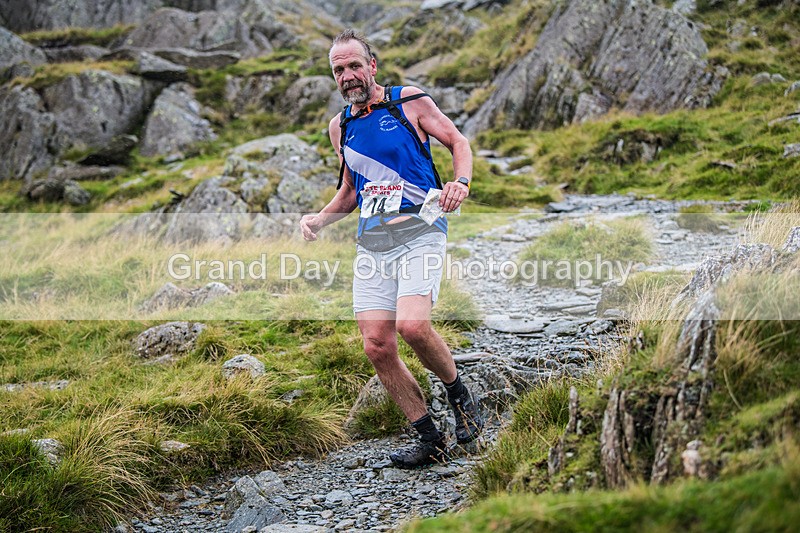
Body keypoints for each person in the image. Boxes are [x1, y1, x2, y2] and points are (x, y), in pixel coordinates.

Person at [300, 29, 483, 468]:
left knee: (414, 326)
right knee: (376, 345)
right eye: (338, 69)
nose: (347, 76)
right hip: (373, 244)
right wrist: (319, 220)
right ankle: (428, 437)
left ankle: (461, 397)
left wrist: (460, 182)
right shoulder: (340, 127)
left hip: (421, 229)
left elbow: (458, 142)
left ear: (372, 66)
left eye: (353, 66)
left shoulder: (409, 102)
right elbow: (350, 191)